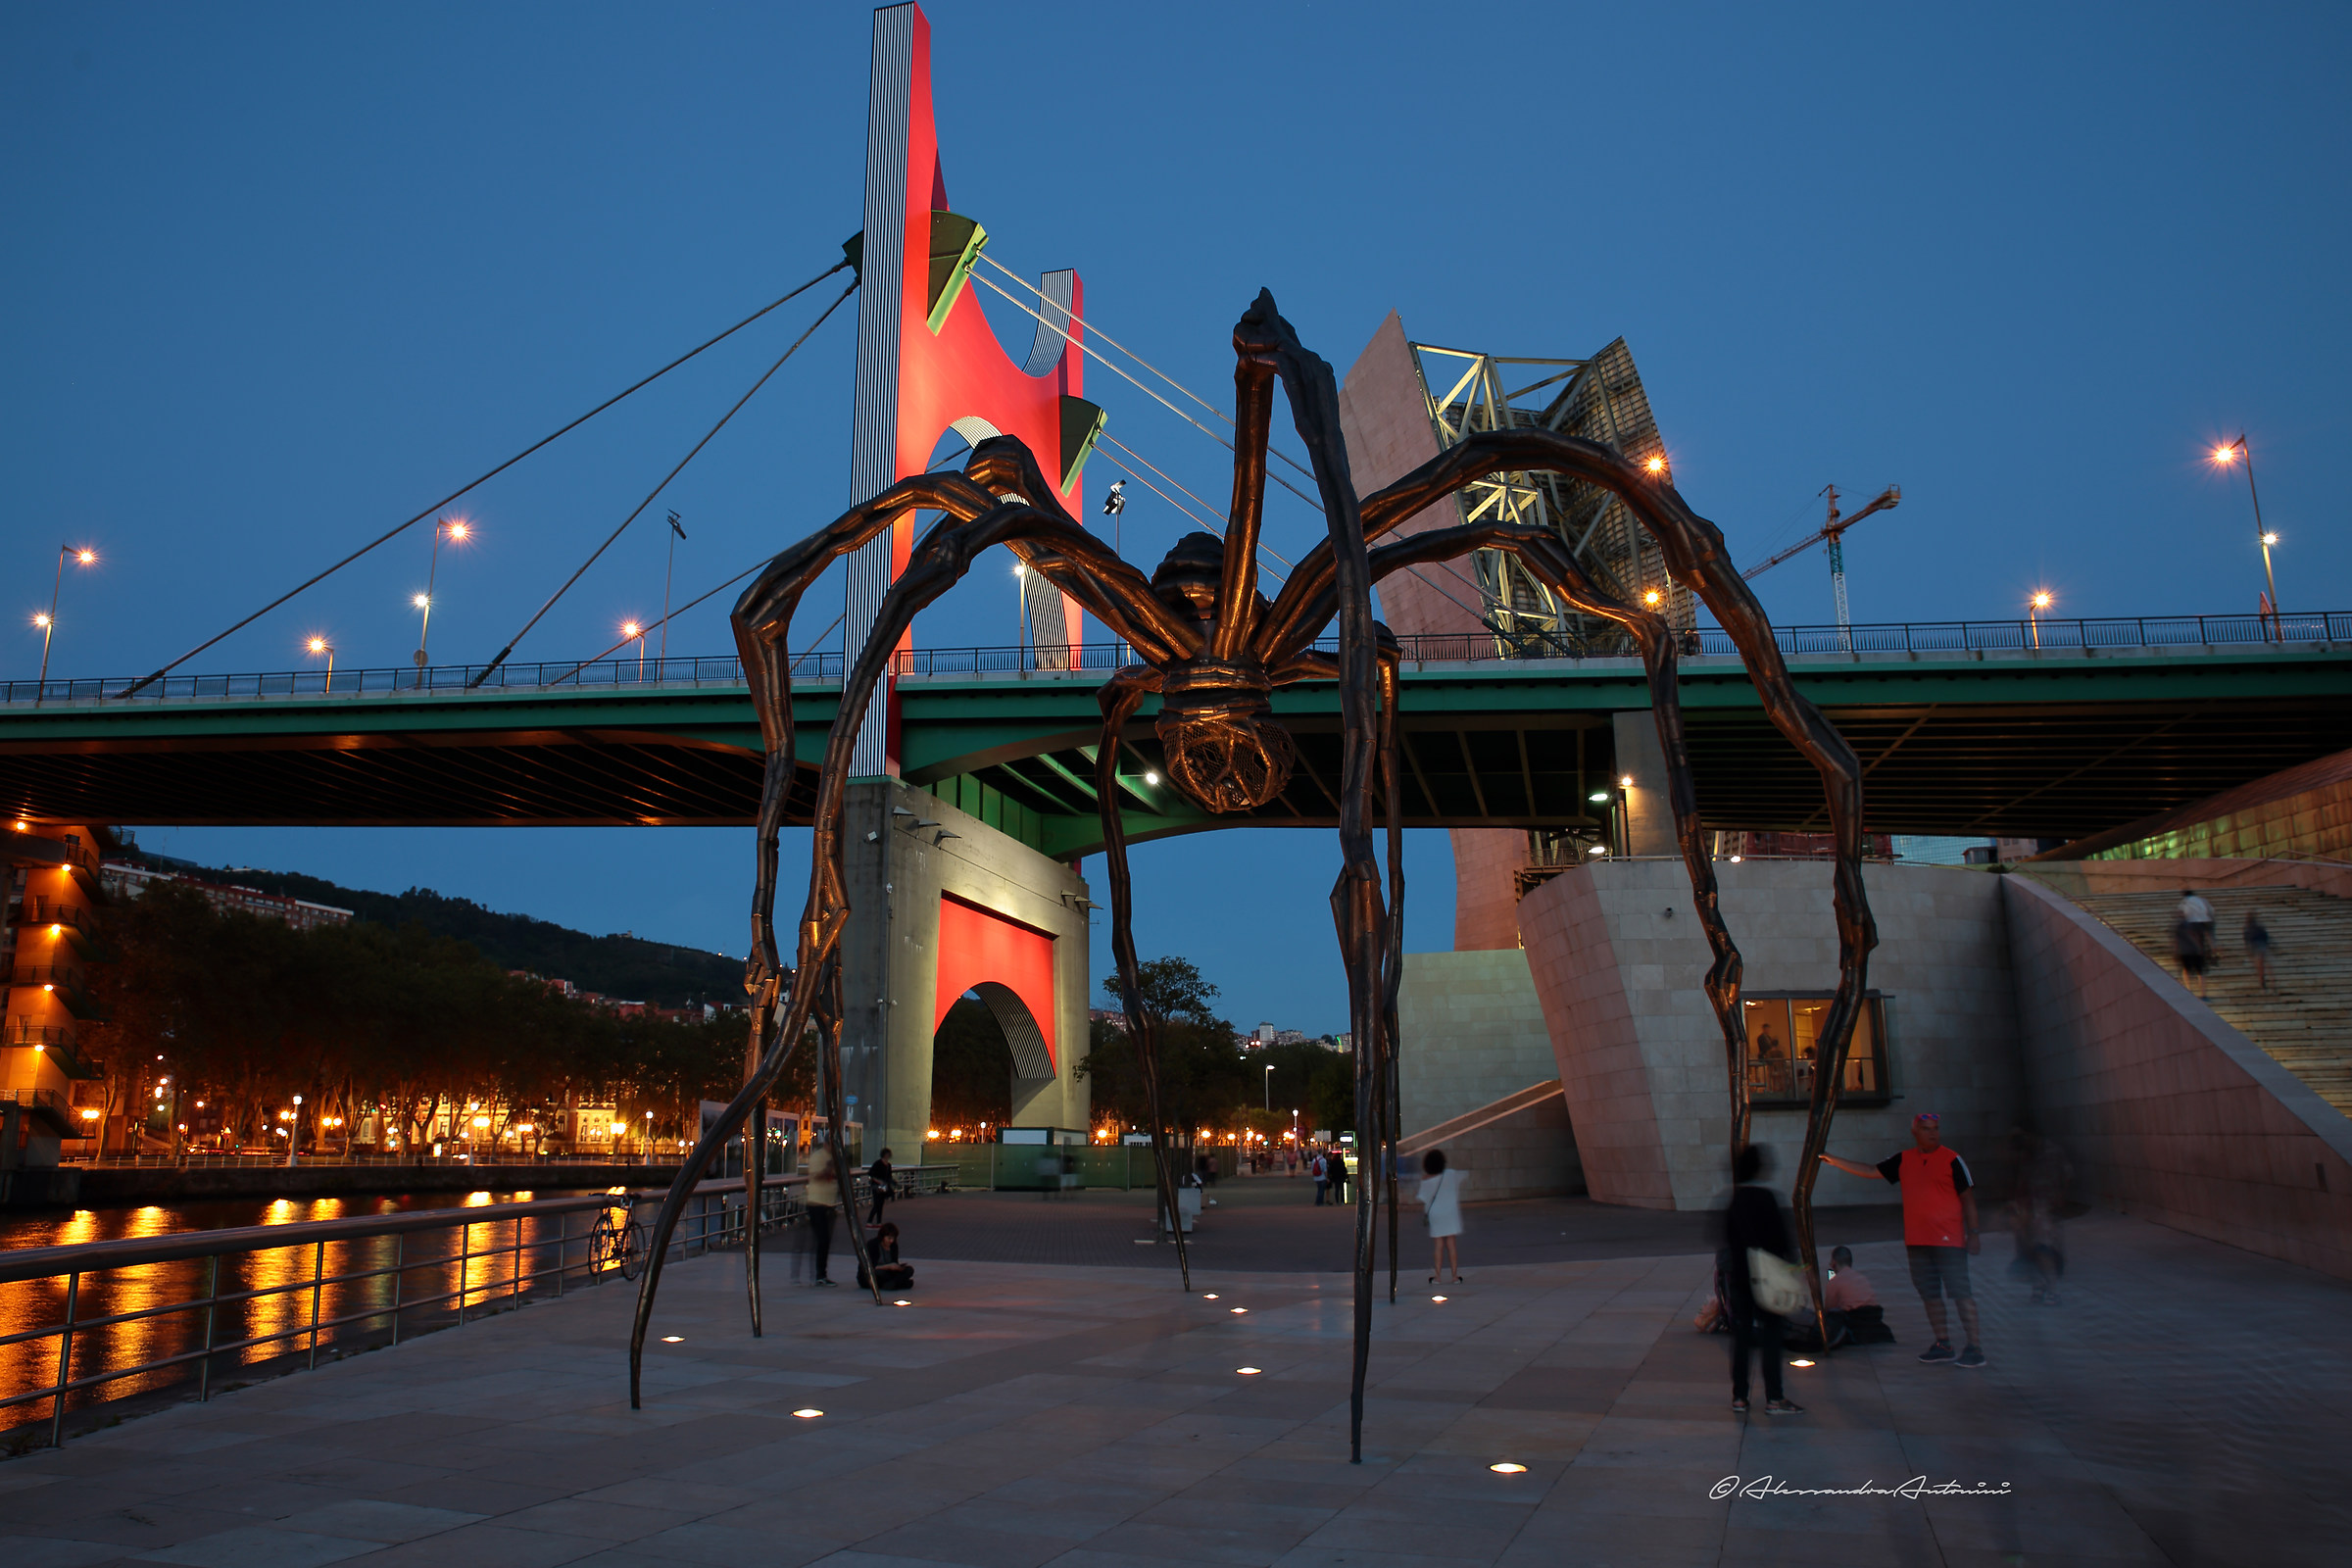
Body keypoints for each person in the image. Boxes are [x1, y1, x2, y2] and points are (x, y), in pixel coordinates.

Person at [1819, 1113, 1985, 1367]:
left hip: (1949, 1242)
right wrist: (1834, 1160)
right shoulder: (1905, 1159)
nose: (1933, 1134)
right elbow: (1870, 1170)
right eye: (1927, 1129)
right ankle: (1943, 1343)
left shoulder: (1952, 1160)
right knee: (1930, 1294)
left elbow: (1968, 1200)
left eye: (1936, 1129)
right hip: (1918, 1243)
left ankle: (1974, 1347)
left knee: (1961, 1294)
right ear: (1915, 1132)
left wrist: (1973, 1233)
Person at [1717, 1144, 1803, 1416]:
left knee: (1741, 1338)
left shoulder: (1733, 1200)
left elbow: (1724, 1241)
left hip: (1741, 1279)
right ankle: (1774, 1397)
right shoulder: (1767, 1198)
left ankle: (1739, 1397)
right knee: (1771, 1337)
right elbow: (1783, 1240)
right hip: (1768, 1280)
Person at [2009, 1127, 2074, 1305]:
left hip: (2047, 1208)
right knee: (2029, 1250)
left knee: (2045, 1250)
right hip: (2029, 1209)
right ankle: (2038, 1286)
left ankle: (2052, 1290)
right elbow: (2021, 1182)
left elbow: (2067, 1174)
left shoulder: (2052, 1151)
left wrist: (2061, 1195)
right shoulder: (2025, 1154)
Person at [1823, 1245, 1892, 1344]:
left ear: (1833, 1263)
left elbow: (1829, 1308)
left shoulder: (1835, 1282)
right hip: (1873, 1316)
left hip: (1854, 1319)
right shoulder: (1861, 1277)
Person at [1417, 1148, 1465, 1285]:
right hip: (1450, 1214)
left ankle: (1437, 1277)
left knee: (1438, 1245)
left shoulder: (1426, 1180)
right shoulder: (1450, 1174)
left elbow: (1423, 1198)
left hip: (1436, 1215)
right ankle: (1455, 1276)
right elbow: (1464, 1175)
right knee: (1451, 1244)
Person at [803, 1141, 841, 1287]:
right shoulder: (818, 1157)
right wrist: (829, 1168)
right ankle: (820, 1274)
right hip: (817, 1203)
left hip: (829, 1203)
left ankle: (821, 1273)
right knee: (822, 1239)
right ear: (827, 1144)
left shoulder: (833, 1157)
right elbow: (816, 1176)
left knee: (825, 1240)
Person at [2177, 888, 2216, 996]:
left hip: (2187, 946)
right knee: (2200, 970)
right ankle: (2203, 993)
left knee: (2187, 969)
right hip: (2203, 926)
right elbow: (2210, 912)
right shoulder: (2202, 900)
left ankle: (2189, 989)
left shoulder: (2184, 903)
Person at [857, 1220, 914, 1292]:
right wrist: (888, 1266)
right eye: (889, 1238)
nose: (891, 1241)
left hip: (888, 1272)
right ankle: (898, 1283)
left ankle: (892, 1283)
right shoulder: (873, 1244)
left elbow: (894, 1261)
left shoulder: (893, 1246)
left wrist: (897, 1267)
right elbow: (870, 1267)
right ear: (883, 1237)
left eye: (893, 1238)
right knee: (881, 1273)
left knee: (909, 1270)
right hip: (873, 1274)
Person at [2243, 909, 2274, 990]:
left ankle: (2262, 980)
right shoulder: (2259, 926)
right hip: (2263, 946)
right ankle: (2271, 981)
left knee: (2259, 964)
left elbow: (2246, 939)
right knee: (2266, 964)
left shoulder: (2247, 927)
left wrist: (2248, 950)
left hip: (2256, 947)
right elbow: (2266, 935)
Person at [866, 1147, 896, 1226]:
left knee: (881, 1203)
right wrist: (878, 1181)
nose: (887, 1156)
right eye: (886, 1154)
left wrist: (892, 1182)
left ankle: (879, 1221)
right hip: (876, 1185)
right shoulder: (878, 1163)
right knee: (877, 1203)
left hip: (884, 1186)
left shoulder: (888, 1165)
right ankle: (869, 1221)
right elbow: (871, 1174)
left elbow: (889, 1176)